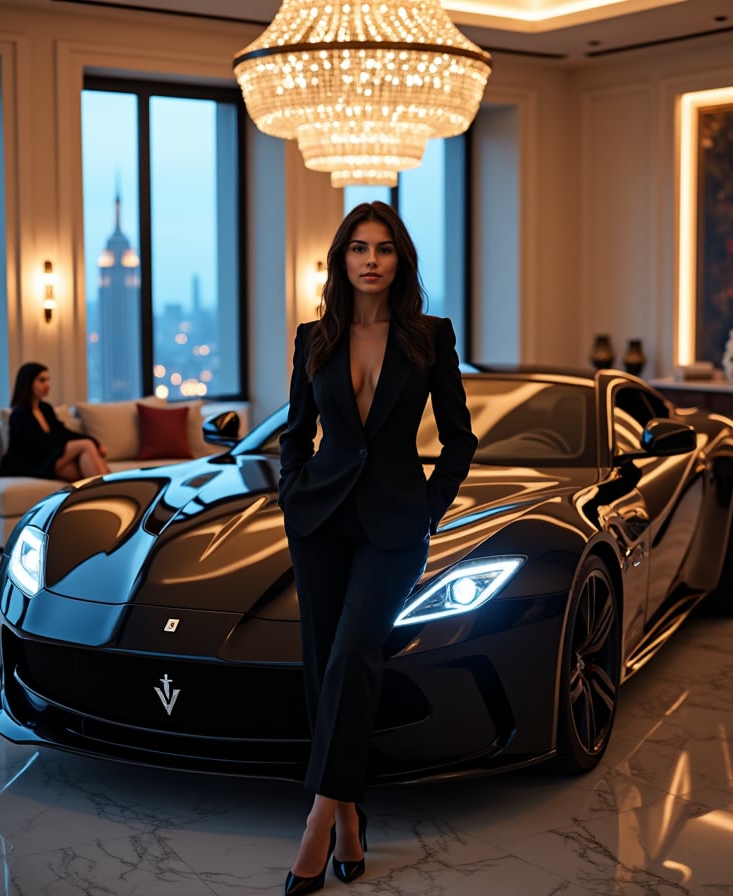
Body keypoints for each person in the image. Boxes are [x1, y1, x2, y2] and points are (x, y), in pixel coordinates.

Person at [278, 202, 477, 894]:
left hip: (396, 522)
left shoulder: (429, 336)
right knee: (320, 664)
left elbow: (459, 438)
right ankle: (352, 818)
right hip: (320, 519)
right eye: (358, 248)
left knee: (354, 653)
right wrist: (291, 492)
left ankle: (317, 821)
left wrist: (430, 508)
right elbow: (295, 432)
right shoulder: (314, 338)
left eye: (384, 248)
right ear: (341, 260)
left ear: (400, 260)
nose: (370, 259)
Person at [0, 362, 110, 481]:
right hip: (32, 463)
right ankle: (109, 493)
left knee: (88, 464)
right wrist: (87, 443)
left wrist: (95, 442)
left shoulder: (45, 409)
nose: (48, 385)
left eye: (48, 380)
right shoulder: (19, 414)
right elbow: (38, 446)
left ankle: (108, 491)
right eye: (42, 381)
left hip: (50, 458)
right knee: (86, 446)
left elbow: (63, 432)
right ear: (28, 383)